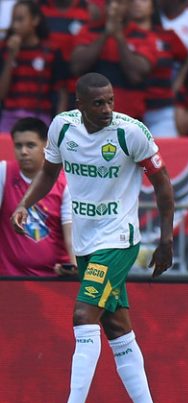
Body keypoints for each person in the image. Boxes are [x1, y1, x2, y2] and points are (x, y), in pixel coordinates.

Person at [11, 73, 175, 403]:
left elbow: (163, 183)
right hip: (87, 243)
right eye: (98, 103)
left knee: (84, 315)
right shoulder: (62, 128)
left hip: (118, 239)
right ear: (79, 103)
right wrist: (26, 203)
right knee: (117, 329)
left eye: (111, 101)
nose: (107, 109)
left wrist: (166, 239)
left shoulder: (129, 132)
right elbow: (50, 172)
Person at [0, 117, 76, 277]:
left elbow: (71, 235)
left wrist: (74, 265)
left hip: (54, 279)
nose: (23, 152)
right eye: (18, 146)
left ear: (45, 145)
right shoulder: (3, 172)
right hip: (9, 278)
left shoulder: (66, 183)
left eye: (30, 145)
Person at [70, 0, 159, 121]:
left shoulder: (145, 36)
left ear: (129, 5)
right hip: (91, 117)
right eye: (109, 3)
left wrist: (118, 36)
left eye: (120, 2)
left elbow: (136, 76)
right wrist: (106, 34)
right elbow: (77, 67)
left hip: (129, 118)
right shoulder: (88, 31)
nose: (114, 7)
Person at [0, 1, 66, 132]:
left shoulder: (51, 51)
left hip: (39, 117)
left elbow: (62, 91)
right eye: (13, 20)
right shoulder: (5, 50)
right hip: (10, 117)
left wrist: (60, 124)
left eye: (20, 20)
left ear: (35, 20)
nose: (15, 25)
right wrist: (11, 57)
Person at [130, 0, 188, 137]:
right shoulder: (121, 36)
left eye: (143, 0)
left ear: (153, 6)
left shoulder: (167, 36)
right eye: (132, 1)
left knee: (165, 155)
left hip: (162, 110)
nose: (137, 4)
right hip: (130, 111)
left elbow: (186, 60)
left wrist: (176, 87)